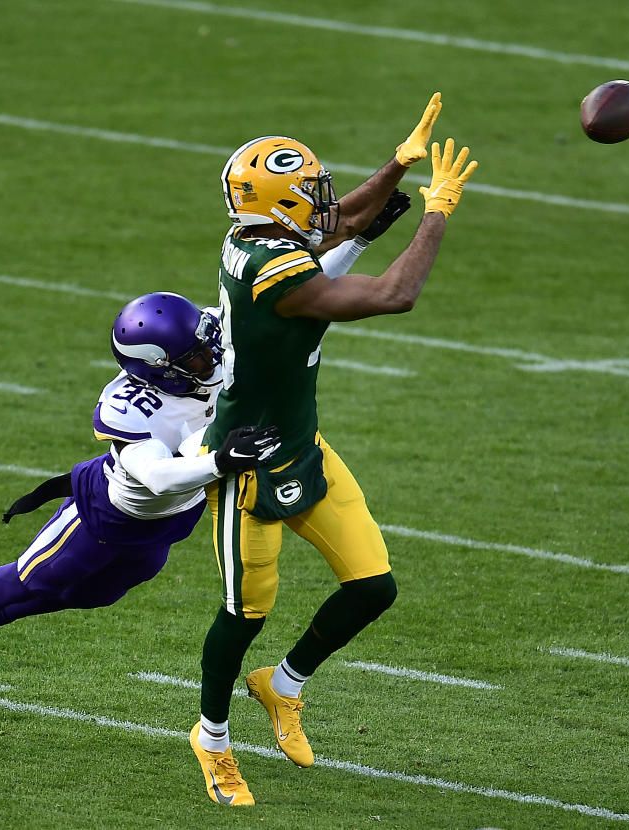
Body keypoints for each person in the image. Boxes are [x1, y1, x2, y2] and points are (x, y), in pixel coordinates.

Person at [189, 92, 477, 806]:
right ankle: (212, 739)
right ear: (276, 209)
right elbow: (392, 294)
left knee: (373, 584)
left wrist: (396, 164)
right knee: (242, 615)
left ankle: (281, 686)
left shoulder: (257, 233)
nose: (324, 201)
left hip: (298, 442)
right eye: (307, 193)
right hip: (245, 464)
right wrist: (436, 210)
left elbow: (341, 219)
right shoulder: (275, 274)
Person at [0, 292, 281, 723]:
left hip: (169, 521)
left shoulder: (204, 339)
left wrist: (359, 240)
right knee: (28, 579)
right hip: (105, 516)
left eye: (206, 343)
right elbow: (157, 476)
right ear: (161, 369)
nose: (211, 357)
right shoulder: (133, 407)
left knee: (97, 594)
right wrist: (218, 460)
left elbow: (293, 296)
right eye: (196, 356)